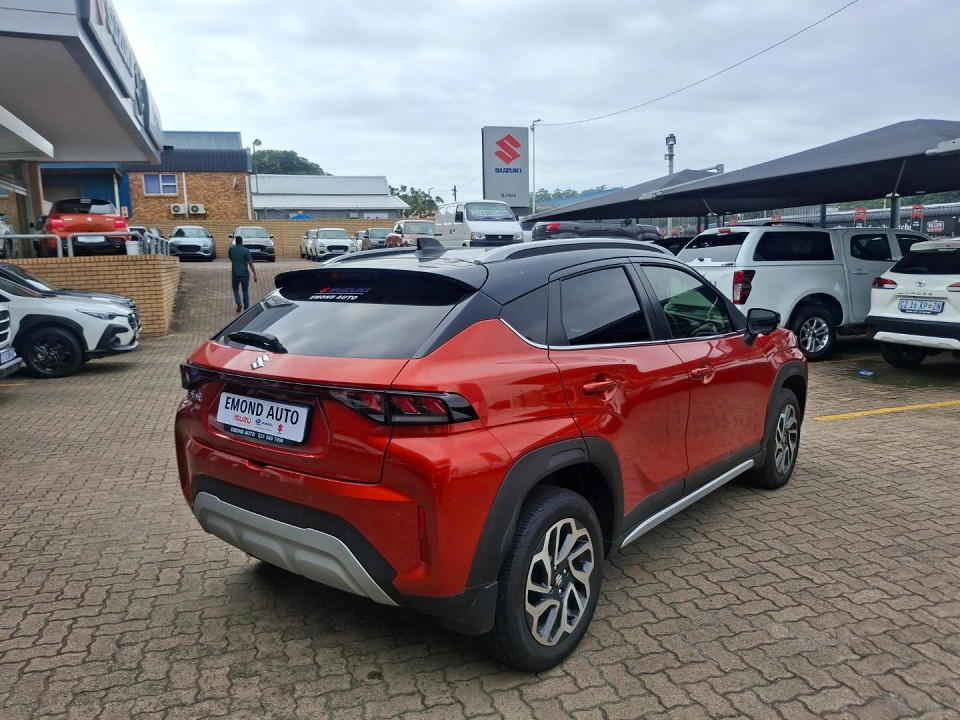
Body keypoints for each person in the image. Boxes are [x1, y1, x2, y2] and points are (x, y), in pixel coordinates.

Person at [228, 236, 258, 312]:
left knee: (235, 290)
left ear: (236, 242)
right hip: (244, 273)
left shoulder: (231, 250)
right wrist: (254, 274)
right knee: (245, 291)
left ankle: (239, 303)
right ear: (242, 242)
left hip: (235, 273)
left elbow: (231, 258)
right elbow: (250, 263)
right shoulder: (246, 251)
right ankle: (246, 308)